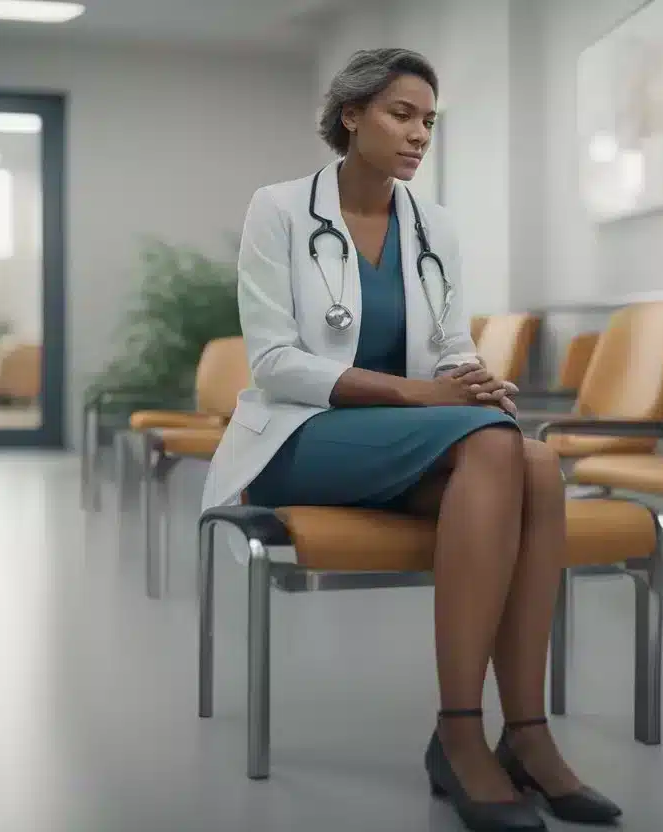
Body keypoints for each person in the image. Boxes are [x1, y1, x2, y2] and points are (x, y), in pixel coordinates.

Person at [201, 48, 622, 831]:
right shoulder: (282, 210)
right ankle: (461, 734)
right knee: (504, 450)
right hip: (302, 436)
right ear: (351, 115)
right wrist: (420, 393)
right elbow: (274, 361)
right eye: (401, 114)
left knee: (533, 462)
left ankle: (525, 735)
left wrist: (470, 378)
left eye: (429, 120)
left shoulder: (435, 227)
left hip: (404, 436)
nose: (419, 133)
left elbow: (448, 341)